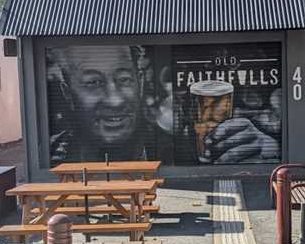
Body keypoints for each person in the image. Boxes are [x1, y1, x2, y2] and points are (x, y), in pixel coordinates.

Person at [47, 44, 280, 164]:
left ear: (140, 82)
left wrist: (267, 153)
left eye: (124, 79)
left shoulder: (187, 146)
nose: (115, 100)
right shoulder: (51, 153)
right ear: (67, 92)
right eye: (93, 82)